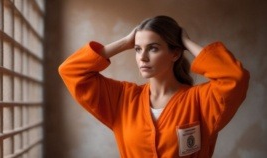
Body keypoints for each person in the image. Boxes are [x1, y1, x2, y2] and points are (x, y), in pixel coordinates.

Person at [59, 15, 249, 158]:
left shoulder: (200, 100)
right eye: (138, 49)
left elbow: (235, 77)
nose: (142, 57)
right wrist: (125, 42)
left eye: (153, 48)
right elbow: (71, 70)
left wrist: (187, 43)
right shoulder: (122, 99)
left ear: (174, 54)